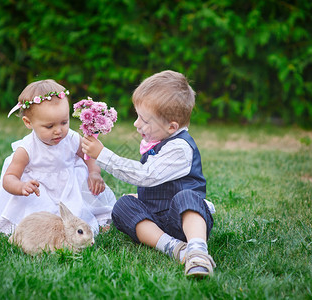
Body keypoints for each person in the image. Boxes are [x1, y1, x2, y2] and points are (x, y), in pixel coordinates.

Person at [81, 70, 216, 278]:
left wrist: (103, 155)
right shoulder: (159, 140)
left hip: (181, 220)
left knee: (187, 198)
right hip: (157, 218)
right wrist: (142, 198)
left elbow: (145, 175)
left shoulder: (180, 147)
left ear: (172, 126)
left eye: (144, 120)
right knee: (123, 206)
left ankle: (197, 251)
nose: (136, 124)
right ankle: (173, 247)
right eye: (137, 116)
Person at [0, 79, 116, 236]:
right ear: (28, 122)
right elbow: (9, 178)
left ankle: (95, 220)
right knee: (40, 223)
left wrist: (94, 172)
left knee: (80, 210)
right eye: (49, 126)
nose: (58, 131)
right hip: (39, 192)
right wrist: (21, 186)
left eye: (64, 122)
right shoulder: (26, 149)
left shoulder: (71, 138)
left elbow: (88, 155)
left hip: (70, 189)